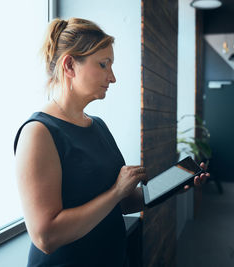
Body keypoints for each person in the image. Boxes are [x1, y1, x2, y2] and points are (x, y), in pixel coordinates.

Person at [14, 17, 209, 267]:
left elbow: (122, 202)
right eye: (104, 65)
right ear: (70, 65)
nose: (113, 77)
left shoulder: (98, 125)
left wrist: (171, 185)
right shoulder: (39, 133)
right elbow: (46, 236)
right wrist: (116, 191)